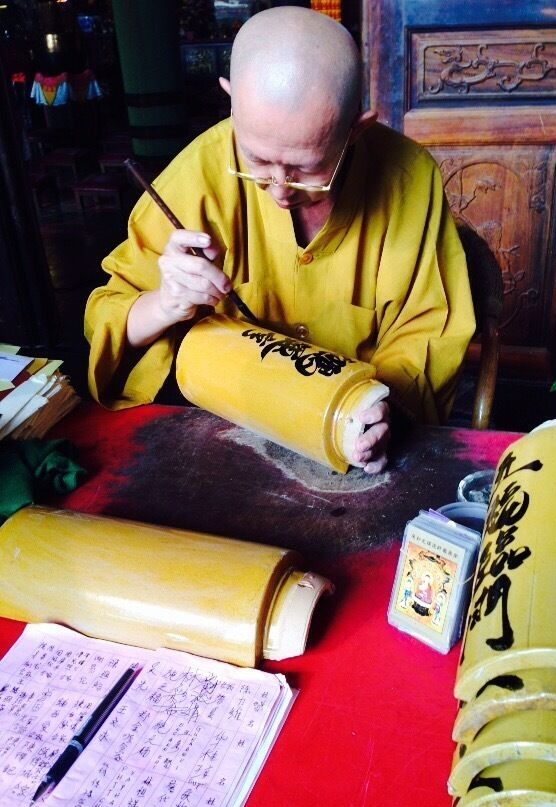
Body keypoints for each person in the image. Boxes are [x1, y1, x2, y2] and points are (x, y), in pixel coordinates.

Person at [85, 6, 474, 474]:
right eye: (257, 159)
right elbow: (108, 316)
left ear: (357, 128)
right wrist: (166, 303)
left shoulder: (409, 178)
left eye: (306, 169)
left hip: (352, 437)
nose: (278, 189)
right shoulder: (201, 171)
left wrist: (376, 409)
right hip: (233, 426)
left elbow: (428, 331)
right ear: (229, 99)